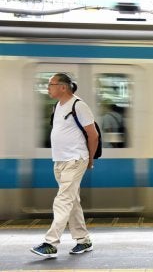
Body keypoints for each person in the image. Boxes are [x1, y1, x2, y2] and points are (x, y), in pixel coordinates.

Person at [30, 73, 98, 258]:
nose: (47, 88)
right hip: (60, 161)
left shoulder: (79, 106)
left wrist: (89, 159)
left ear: (63, 87)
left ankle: (50, 243)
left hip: (75, 160)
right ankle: (84, 240)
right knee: (72, 201)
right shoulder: (58, 106)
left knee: (62, 201)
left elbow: (93, 135)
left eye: (50, 84)